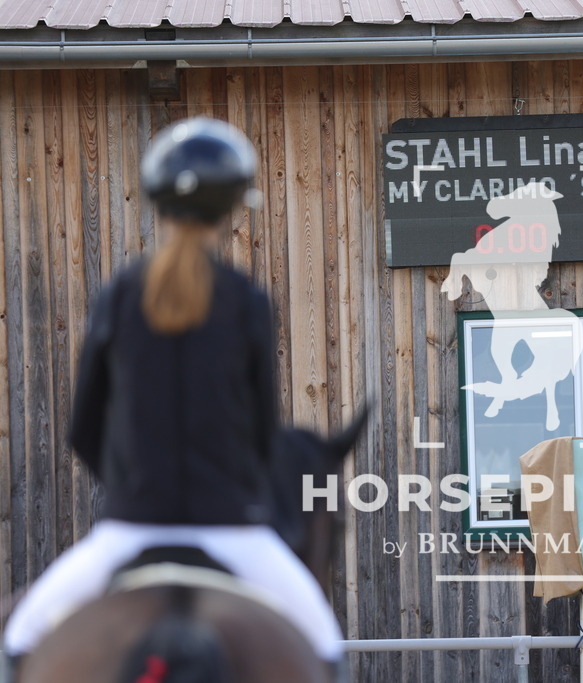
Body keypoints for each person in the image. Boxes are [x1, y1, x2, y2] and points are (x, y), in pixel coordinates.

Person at [0, 117, 343, 681]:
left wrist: (136, 486)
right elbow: (261, 434)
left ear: (158, 201)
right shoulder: (246, 300)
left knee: (20, 638)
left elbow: (83, 427)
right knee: (326, 648)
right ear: (233, 205)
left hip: (132, 525)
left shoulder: (120, 296)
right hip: (233, 529)